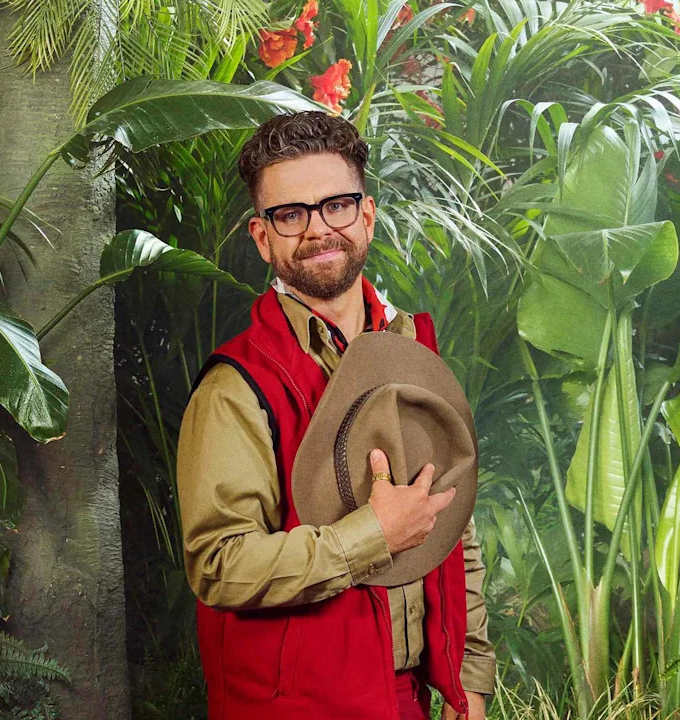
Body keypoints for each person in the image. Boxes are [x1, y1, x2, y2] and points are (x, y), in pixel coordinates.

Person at [176, 110, 495, 720]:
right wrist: (373, 534)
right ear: (262, 237)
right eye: (290, 214)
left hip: (408, 700)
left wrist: (468, 681)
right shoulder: (235, 387)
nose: (318, 229)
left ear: (366, 215)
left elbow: (455, 526)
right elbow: (219, 564)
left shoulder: (410, 349)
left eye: (337, 205)